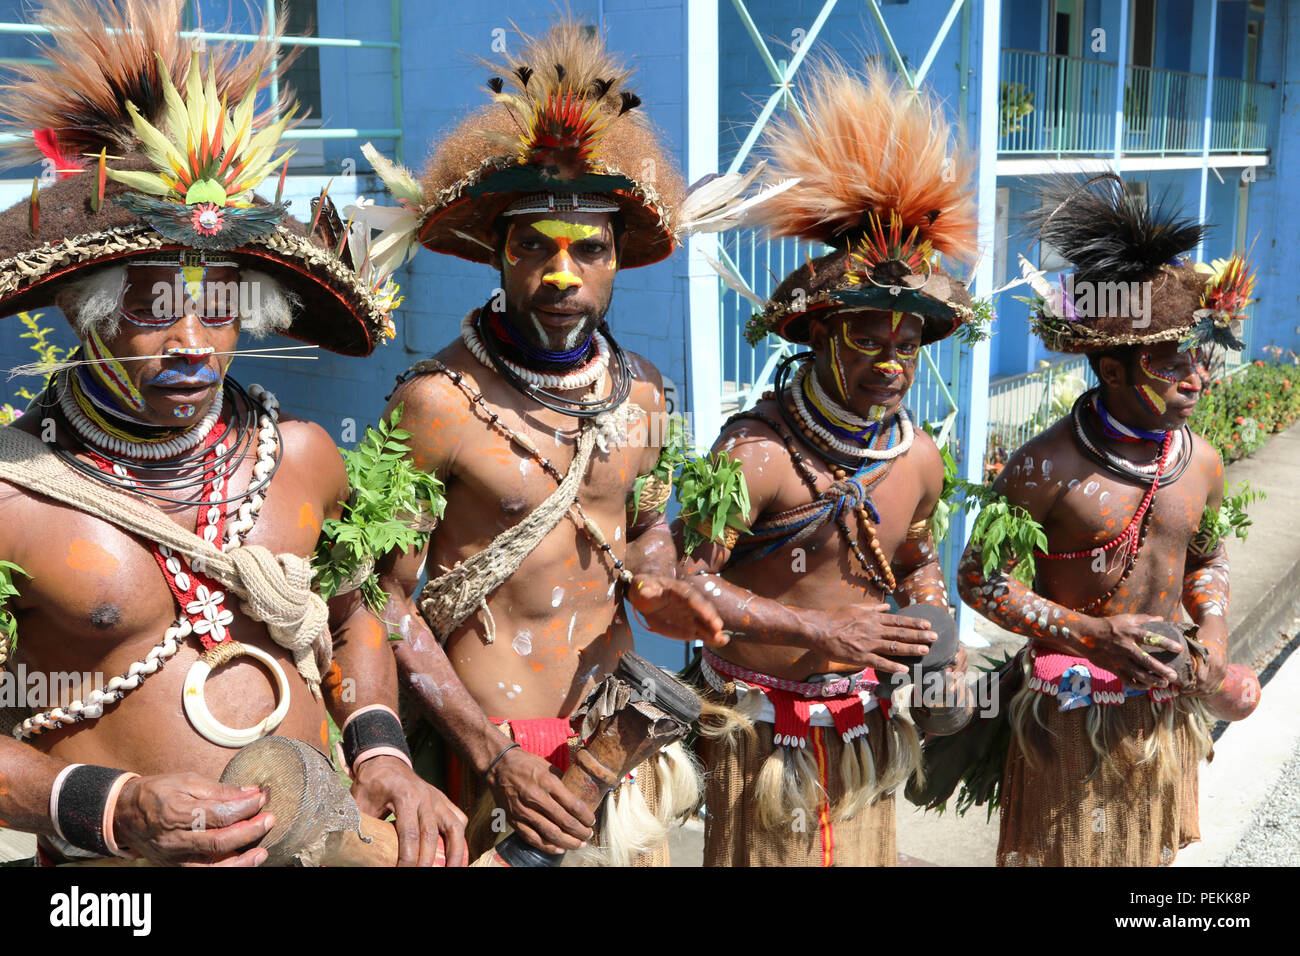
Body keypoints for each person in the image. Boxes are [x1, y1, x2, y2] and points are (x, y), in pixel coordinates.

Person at [0, 0, 464, 867]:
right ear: (86, 313)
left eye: (217, 305)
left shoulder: (304, 458)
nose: (190, 341)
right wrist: (115, 807)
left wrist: (381, 750)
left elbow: (355, 609)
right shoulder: (15, 498)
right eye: (152, 306)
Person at [363, 20, 726, 866]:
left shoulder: (642, 390)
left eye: (588, 250)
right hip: (488, 761)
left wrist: (662, 578)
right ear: (497, 255)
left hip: (621, 757)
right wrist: (491, 753)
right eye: (534, 247)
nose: (561, 275)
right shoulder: (435, 403)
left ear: (618, 262)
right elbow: (383, 602)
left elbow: (647, 524)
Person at [677, 62, 977, 867]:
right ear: (817, 336)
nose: (892, 362)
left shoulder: (917, 455)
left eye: (907, 344)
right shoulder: (755, 452)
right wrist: (818, 626)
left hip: (864, 724)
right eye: (867, 339)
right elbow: (685, 582)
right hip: (757, 729)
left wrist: (937, 644)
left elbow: (915, 561)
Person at [956, 173, 1246, 866]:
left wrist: (1210, 631)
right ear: (1112, 372)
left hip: (1161, 703)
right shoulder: (1043, 466)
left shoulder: (1200, 461)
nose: (1197, 379)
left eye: (1199, 361)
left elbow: (1208, 558)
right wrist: (1091, 633)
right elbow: (979, 581)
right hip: (1067, 711)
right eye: (1173, 365)